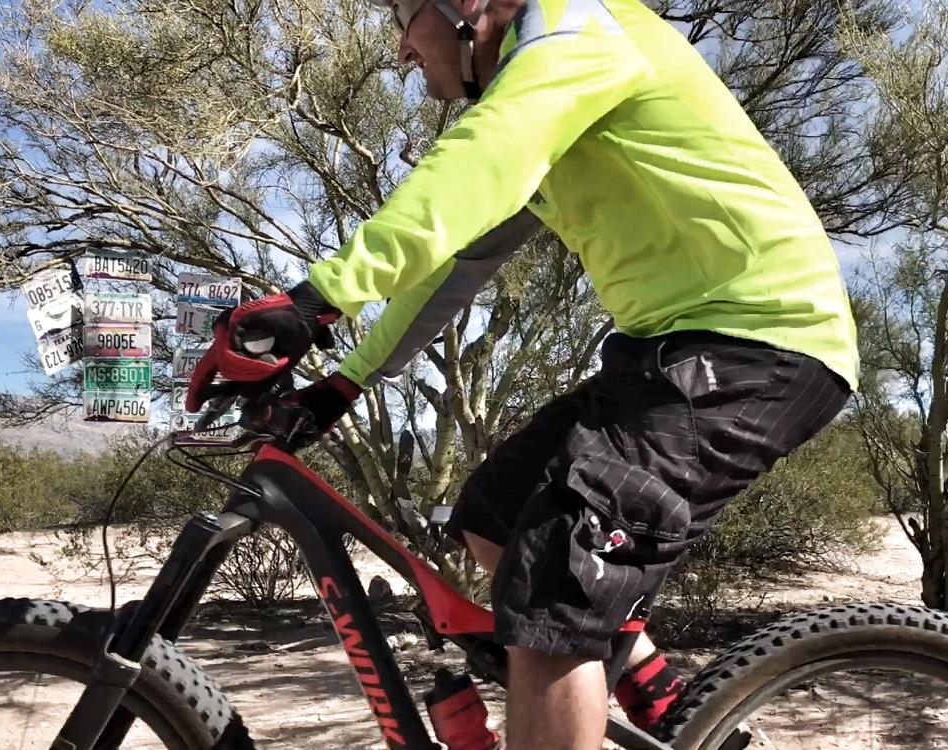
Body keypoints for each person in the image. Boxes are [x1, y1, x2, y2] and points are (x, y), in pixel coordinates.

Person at [184, 0, 859, 745]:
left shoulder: (576, 28)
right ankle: (662, 699)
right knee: (494, 516)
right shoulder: (546, 95)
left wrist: (319, 299)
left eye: (405, 21)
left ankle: (588, 668)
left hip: (757, 344)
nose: (403, 53)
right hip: (667, 352)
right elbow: (452, 265)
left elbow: (484, 156)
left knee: (552, 588)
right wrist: (343, 384)